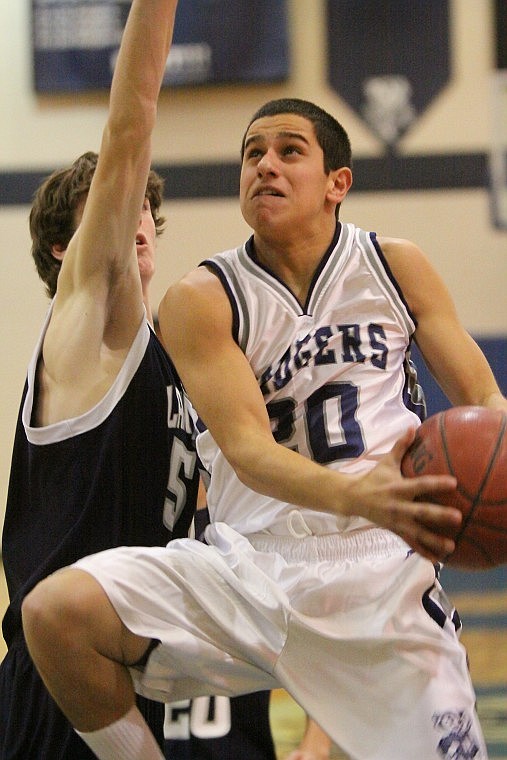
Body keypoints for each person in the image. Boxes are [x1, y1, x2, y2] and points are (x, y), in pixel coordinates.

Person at [21, 92, 507, 760]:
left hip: (380, 573)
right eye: (252, 153)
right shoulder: (201, 296)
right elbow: (247, 451)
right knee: (56, 615)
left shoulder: (394, 265)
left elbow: (484, 397)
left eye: (287, 151)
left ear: (338, 182)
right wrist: (355, 492)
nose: (264, 166)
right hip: (249, 565)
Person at [0, 1, 199, 757]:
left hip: (137, 679)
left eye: (145, 202)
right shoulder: (86, 322)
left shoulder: (171, 353)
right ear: (64, 247)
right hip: (58, 686)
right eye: (117, 201)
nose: (136, 209)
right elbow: (131, 122)